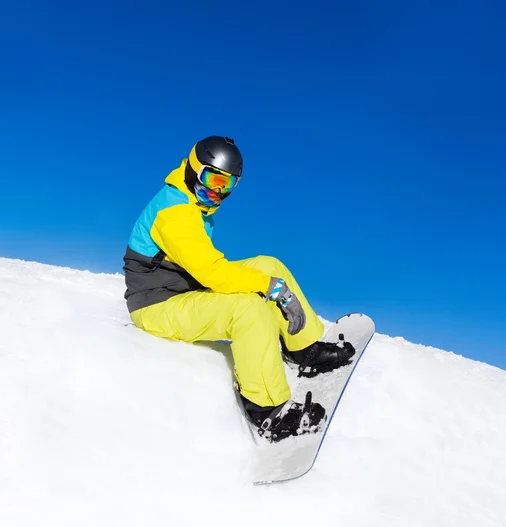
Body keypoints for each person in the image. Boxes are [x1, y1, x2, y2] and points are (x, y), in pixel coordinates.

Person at [123, 136, 354, 441]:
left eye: (227, 184)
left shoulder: (192, 204)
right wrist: (267, 289)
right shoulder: (175, 213)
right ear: (194, 169)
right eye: (213, 178)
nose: (218, 190)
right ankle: (267, 409)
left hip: (182, 292)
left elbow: (209, 272)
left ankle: (304, 348)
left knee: (269, 266)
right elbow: (212, 273)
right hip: (155, 306)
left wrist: (268, 281)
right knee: (249, 309)